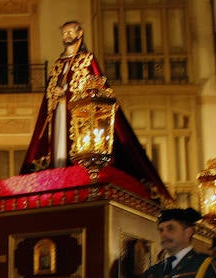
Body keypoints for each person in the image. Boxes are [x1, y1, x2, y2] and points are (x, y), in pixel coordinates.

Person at [20, 20, 170, 202]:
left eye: (70, 32)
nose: (66, 36)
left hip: (77, 116)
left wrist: (65, 92)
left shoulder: (87, 60)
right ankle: (57, 172)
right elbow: (49, 93)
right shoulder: (58, 64)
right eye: (64, 33)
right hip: (58, 113)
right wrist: (54, 95)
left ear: (79, 34)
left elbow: (94, 89)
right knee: (56, 146)